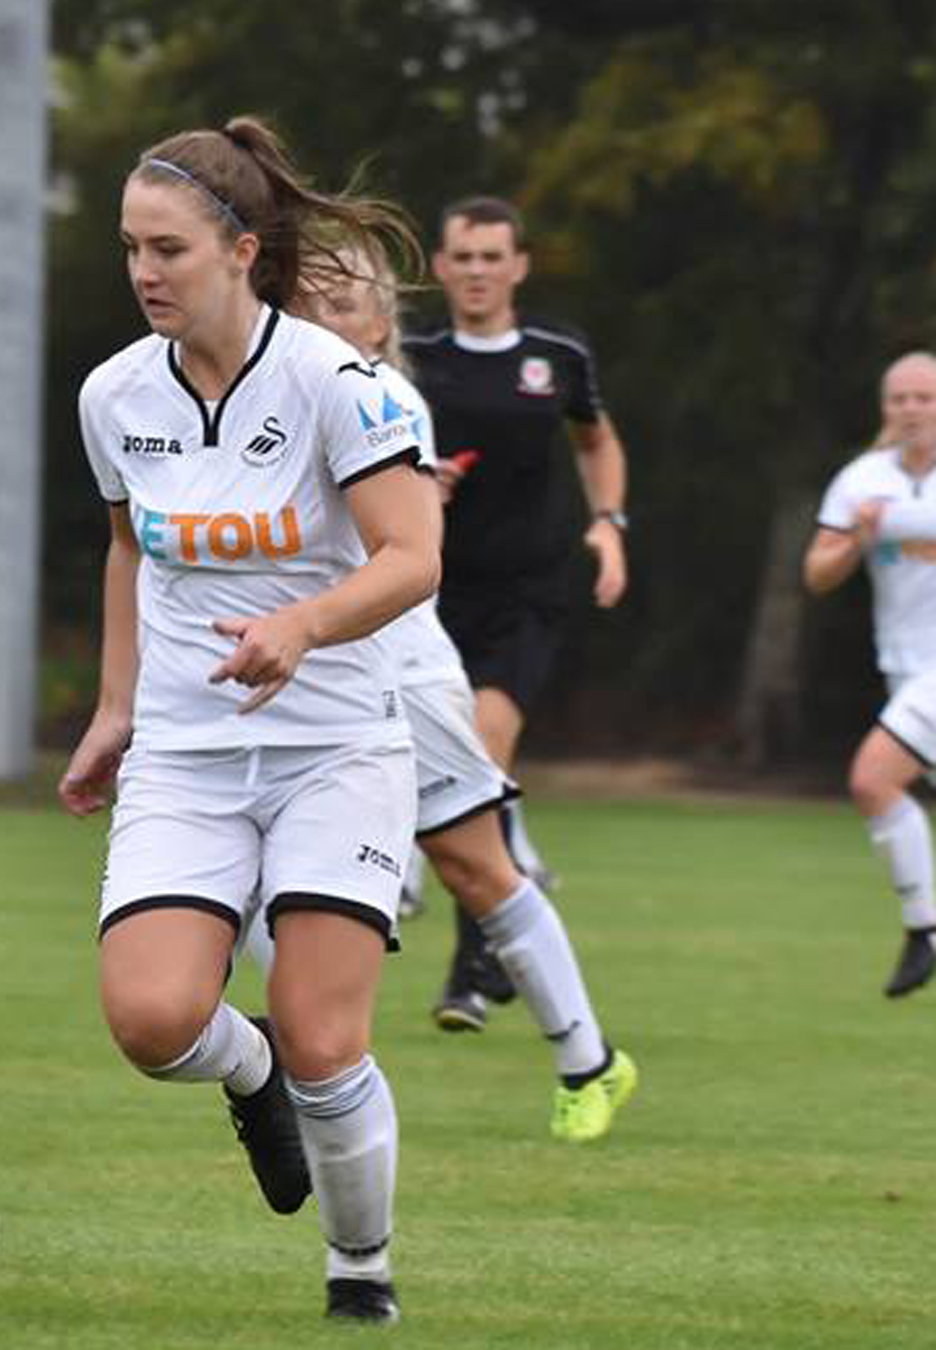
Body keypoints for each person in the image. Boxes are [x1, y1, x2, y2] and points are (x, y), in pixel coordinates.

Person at [58, 117, 438, 1323]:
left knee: (332, 1040)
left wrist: (306, 626)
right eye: (129, 250)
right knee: (154, 1018)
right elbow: (128, 548)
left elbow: (414, 556)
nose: (145, 273)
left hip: (336, 747)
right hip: (186, 752)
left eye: (167, 248)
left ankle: (359, 1270)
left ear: (241, 246)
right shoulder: (115, 395)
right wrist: (116, 707)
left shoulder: (339, 386)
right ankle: (249, 1069)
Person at [265, 245, 637, 1142]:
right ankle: (281, 1069)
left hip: (399, 670)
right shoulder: (265, 402)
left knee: (477, 866)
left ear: (378, 324)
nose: (322, 310)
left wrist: (423, 493)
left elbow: (404, 550)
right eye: (306, 296)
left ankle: (589, 1062)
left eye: (343, 297)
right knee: (261, 874)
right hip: (308, 670)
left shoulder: (388, 402)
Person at [400, 197, 632, 1032]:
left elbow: (598, 440)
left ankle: (472, 972)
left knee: (482, 750)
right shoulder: (410, 358)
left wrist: (609, 525)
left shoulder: (557, 355)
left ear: (519, 265)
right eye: (463, 256)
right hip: (425, 593)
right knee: (440, 764)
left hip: (529, 593)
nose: (477, 271)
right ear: (439, 264)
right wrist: (420, 484)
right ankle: (438, 895)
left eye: (493, 256)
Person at [802, 351, 936, 998]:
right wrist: (858, 536)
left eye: (925, 397)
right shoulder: (861, 480)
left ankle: (924, 928)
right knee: (882, 786)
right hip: (904, 671)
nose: (911, 409)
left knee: (872, 778)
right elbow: (818, 575)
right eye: (899, 399)